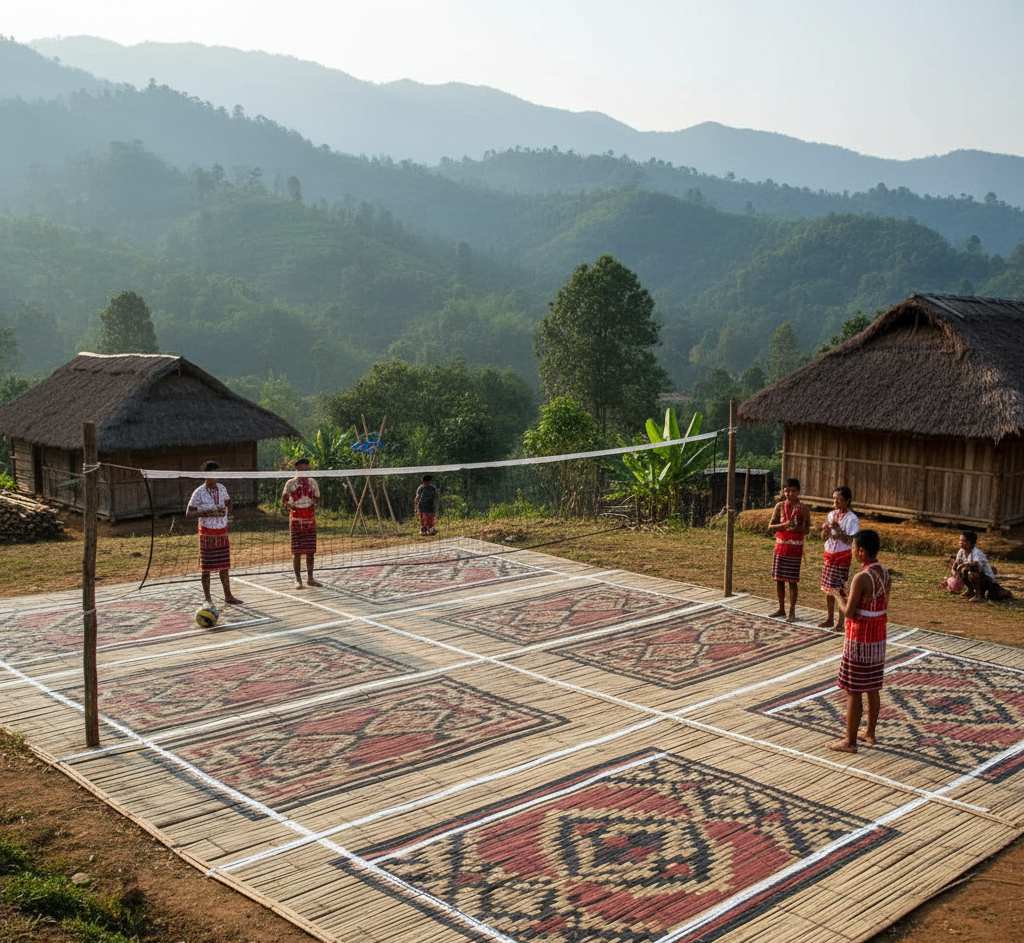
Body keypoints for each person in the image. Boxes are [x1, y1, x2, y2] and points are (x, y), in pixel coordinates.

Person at [825, 529, 891, 753]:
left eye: (853, 548)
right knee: (872, 686)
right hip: (877, 638)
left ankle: (850, 741)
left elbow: (849, 612)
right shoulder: (885, 574)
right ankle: (870, 731)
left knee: (853, 689)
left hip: (860, 639)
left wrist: (836, 595)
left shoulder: (862, 577)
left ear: (861, 551)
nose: (852, 551)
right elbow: (872, 603)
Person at [186, 460, 243, 606]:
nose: (217, 475)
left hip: (222, 532)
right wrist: (206, 512)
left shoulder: (222, 488)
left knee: (224, 566)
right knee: (206, 568)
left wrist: (226, 510)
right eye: (214, 472)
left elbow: (229, 504)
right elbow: (189, 513)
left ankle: (228, 596)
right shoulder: (199, 492)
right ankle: (208, 599)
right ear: (206, 475)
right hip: (207, 534)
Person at [768, 478, 810, 622]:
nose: (789, 494)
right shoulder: (779, 506)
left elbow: (807, 529)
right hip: (780, 547)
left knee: (792, 580)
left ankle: (791, 611)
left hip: (795, 548)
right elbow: (770, 526)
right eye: (787, 491)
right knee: (779, 579)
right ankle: (781, 609)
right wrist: (784, 525)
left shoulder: (803, 508)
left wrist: (798, 528)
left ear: (798, 492)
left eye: (793, 491)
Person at [818, 486, 860, 631]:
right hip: (829, 553)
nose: (835, 501)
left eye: (839, 499)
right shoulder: (831, 515)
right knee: (828, 588)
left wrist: (838, 530)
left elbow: (850, 540)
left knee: (840, 589)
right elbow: (824, 537)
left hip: (842, 555)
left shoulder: (852, 519)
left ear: (847, 501)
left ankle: (841, 623)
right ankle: (830, 618)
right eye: (834, 498)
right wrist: (825, 530)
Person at [281, 457, 322, 589]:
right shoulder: (290, 483)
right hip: (296, 521)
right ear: (297, 469)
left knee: (310, 551)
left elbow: (318, 498)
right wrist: (289, 505)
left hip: (310, 520)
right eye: (303, 467)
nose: (306, 469)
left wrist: (317, 505)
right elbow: (284, 499)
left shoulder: (312, 482)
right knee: (297, 552)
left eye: (307, 467)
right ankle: (298, 579)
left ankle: (310, 578)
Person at [940, 531, 1013, 602]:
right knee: (961, 569)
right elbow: (956, 564)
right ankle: (970, 590)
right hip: (976, 576)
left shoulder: (977, 553)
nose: (961, 543)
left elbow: (977, 566)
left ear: (971, 543)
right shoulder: (961, 552)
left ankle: (979, 595)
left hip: (986, 579)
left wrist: (964, 566)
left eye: (965, 541)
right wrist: (954, 572)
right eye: (960, 540)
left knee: (969, 572)